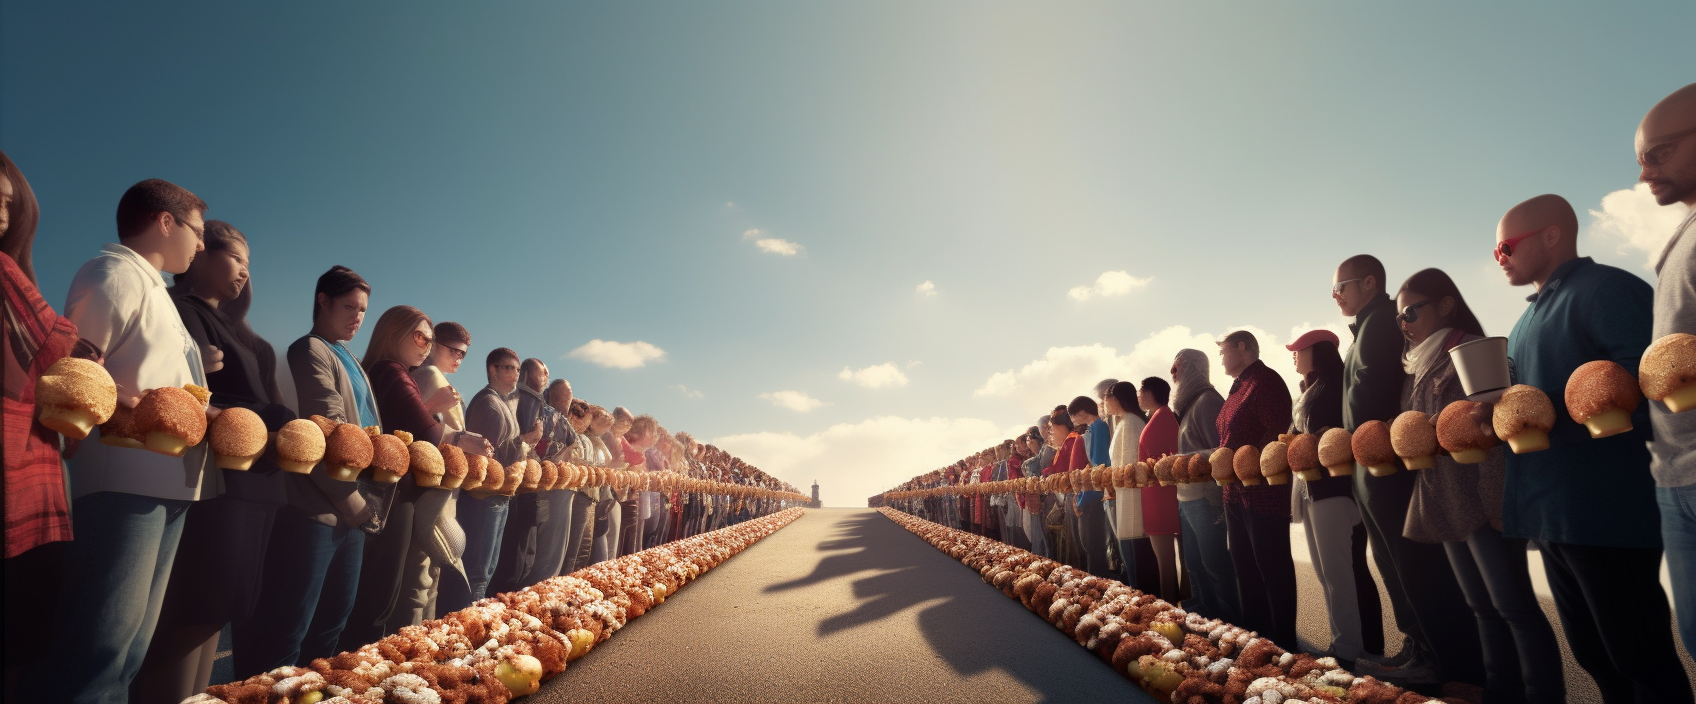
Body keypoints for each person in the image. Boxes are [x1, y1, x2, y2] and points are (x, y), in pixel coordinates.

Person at [1494, 194, 1691, 702]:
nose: (1500, 257)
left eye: (1506, 246)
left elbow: (1653, 385)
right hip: (1552, 509)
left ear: (1552, 235)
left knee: (1639, 656)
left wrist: (1552, 407)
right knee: (1595, 656)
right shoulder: (1524, 321)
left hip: (1606, 509)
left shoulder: (1608, 289)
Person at [37, 179, 220, 703]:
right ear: (166, 222)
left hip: (163, 482)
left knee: (128, 650)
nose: (202, 245)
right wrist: (123, 401)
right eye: (198, 232)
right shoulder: (114, 272)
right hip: (121, 482)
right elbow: (74, 375)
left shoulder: (153, 288)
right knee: (98, 649)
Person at [135, 221, 295, 703]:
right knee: (196, 608)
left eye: (249, 263)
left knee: (222, 610)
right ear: (200, 253)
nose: (244, 271)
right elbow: (196, 396)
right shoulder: (179, 311)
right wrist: (277, 418)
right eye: (235, 258)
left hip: (261, 480)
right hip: (218, 480)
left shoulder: (239, 329)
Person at [1397, 268, 1563, 703]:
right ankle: (1501, 691)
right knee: (1483, 610)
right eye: (1401, 316)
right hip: (1448, 498)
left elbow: (1498, 423)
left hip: (1482, 494)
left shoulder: (1472, 350)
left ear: (1446, 305)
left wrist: (1497, 502)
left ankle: (1542, 696)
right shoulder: (1422, 362)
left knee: (1514, 607)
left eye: (1411, 311)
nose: (1404, 324)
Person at [1336, 254, 1482, 686]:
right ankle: (1418, 645)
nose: (1335, 295)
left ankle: (1439, 657)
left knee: (1414, 566)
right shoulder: (1368, 326)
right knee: (1392, 565)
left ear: (1367, 282)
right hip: (1370, 457)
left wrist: (1381, 443)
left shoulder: (1381, 319)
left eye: (1340, 286)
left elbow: (1379, 389)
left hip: (1391, 459)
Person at [240, 265, 380, 677]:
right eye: (349, 307)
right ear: (322, 301)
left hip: (352, 508)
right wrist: (350, 499)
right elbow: (327, 427)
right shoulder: (310, 348)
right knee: (289, 632)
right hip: (316, 508)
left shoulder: (349, 356)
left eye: (363, 310)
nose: (358, 317)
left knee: (330, 629)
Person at [1, 150, 97, 701]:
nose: (2, 212)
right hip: (20, 483)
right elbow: (67, 353)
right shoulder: (5, 272)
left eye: (8, 203)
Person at [346, 306, 480, 643]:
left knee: (408, 583)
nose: (425, 345)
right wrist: (450, 430)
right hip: (401, 489)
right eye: (421, 337)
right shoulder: (396, 371)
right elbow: (423, 430)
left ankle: (411, 650)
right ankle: (410, 651)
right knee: (407, 583)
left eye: (430, 339)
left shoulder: (392, 370)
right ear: (394, 332)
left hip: (400, 486)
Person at [1285, 329, 1383, 670]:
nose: (1294, 355)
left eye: (1299, 350)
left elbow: (1344, 428)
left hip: (1335, 489)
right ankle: (1345, 641)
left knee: (1341, 571)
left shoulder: (1337, 383)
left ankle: (1350, 648)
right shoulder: (1311, 388)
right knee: (1329, 572)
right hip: (1313, 488)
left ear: (1318, 351)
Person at [1640, 83, 1696, 658]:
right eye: (1641, 159)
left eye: (1660, 153)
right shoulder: (1681, 238)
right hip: (1675, 476)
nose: (1645, 173)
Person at [1214, 330, 1297, 649]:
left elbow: (1278, 435)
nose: (1221, 357)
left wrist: (1246, 462)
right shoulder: (1237, 387)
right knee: (1244, 567)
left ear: (1242, 347)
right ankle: (1256, 638)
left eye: (1224, 351)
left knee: (1271, 566)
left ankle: (1283, 642)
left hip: (1263, 492)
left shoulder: (1265, 381)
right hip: (1234, 493)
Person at [402, 321, 475, 624]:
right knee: (423, 573)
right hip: (431, 487)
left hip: (439, 486)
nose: (459, 357)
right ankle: (413, 644)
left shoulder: (431, 375)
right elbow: (415, 427)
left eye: (463, 354)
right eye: (453, 350)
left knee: (429, 570)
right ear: (434, 345)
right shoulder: (429, 375)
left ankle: (418, 642)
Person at [452, 347, 530, 609]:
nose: (515, 374)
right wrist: (525, 443)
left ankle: (477, 617)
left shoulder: (502, 402)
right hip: (483, 496)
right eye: (509, 368)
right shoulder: (487, 402)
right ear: (492, 369)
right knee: (478, 569)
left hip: (499, 494)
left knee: (488, 568)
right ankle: (469, 621)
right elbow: (486, 454)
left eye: (518, 369)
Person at [1169, 349, 1237, 624]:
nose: (1173, 371)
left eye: (1179, 365)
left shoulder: (1207, 400)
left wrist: (1183, 459)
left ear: (1195, 367)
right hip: (1186, 497)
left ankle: (1231, 621)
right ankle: (1205, 614)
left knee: (1215, 563)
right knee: (1194, 564)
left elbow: (1223, 451)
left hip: (1205, 497)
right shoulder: (1188, 405)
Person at [492, 358, 554, 594]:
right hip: (519, 478)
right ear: (528, 376)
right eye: (542, 372)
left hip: (525, 476)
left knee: (523, 546)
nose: (546, 375)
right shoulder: (526, 398)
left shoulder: (530, 399)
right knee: (517, 549)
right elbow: (525, 440)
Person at [1133, 378, 1180, 602]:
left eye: (1141, 390)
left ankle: (1170, 607)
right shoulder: (1158, 417)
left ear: (1151, 392)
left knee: (1165, 561)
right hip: (1155, 496)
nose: (1138, 395)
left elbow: (1168, 457)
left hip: (1160, 498)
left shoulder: (1162, 417)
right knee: (1166, 560)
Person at [1067, 396, 1112, 578]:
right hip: (1091, 493)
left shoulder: (1098, 428)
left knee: (1095, 546)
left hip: (1095, 495)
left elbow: (1099, 467)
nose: (1073, 422)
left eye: (1073, 417)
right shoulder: (1092, 430)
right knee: (1091, 546)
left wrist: (1082, 498)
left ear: (1082, 413)